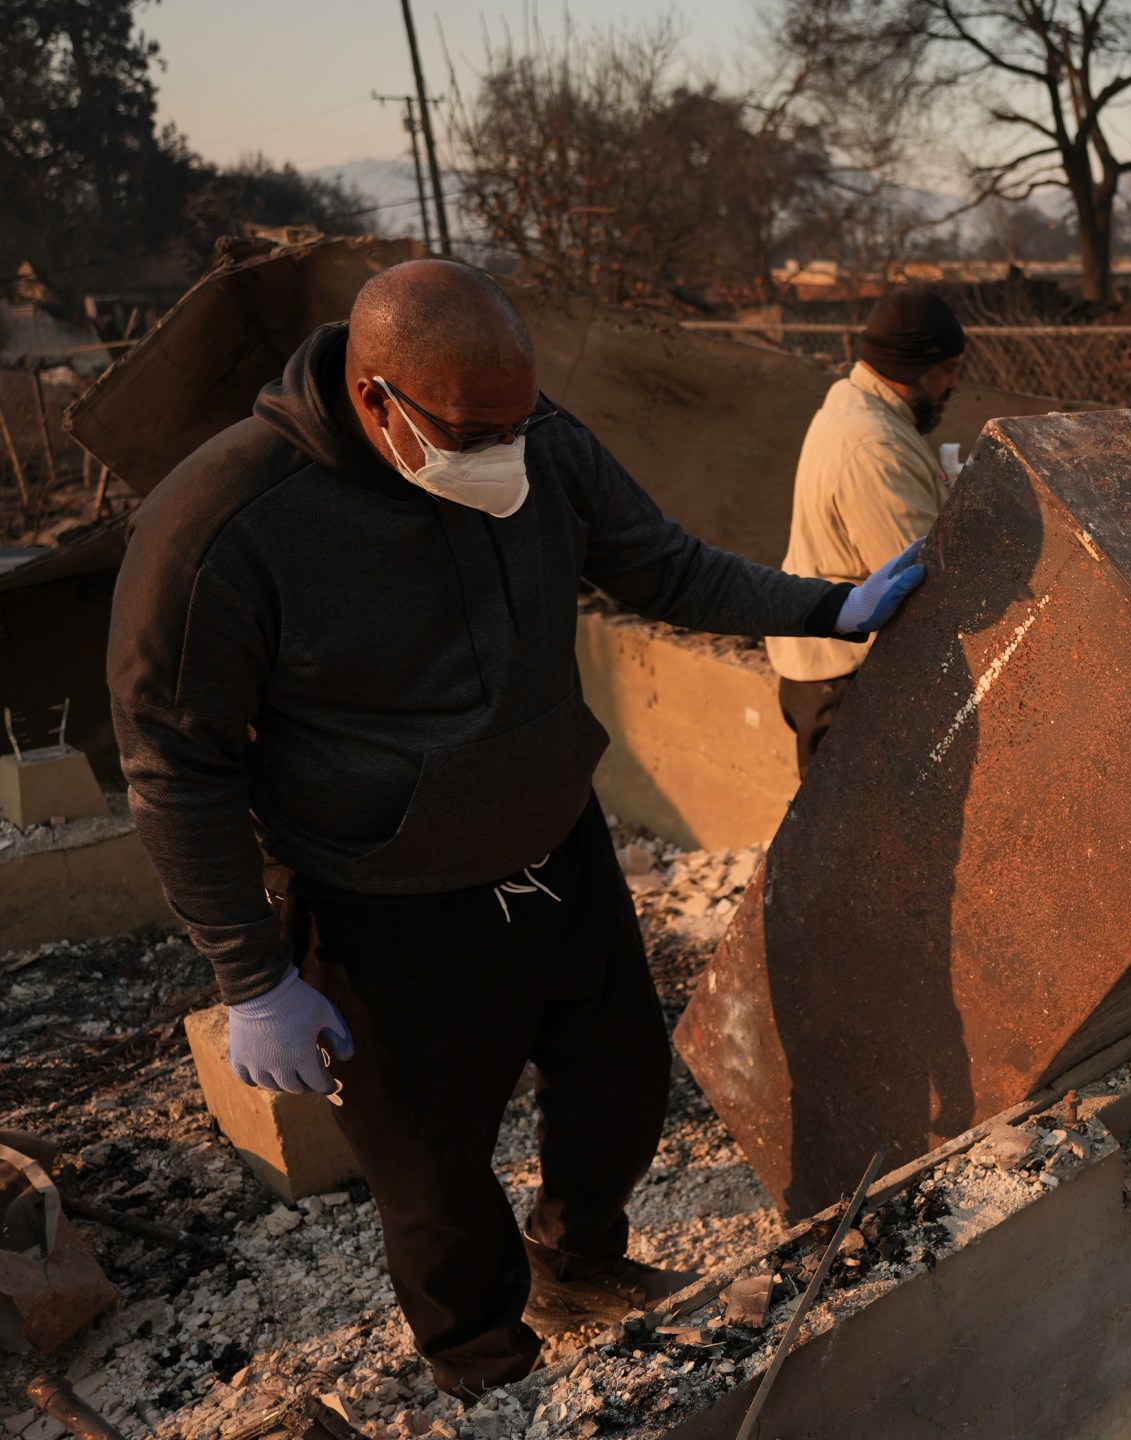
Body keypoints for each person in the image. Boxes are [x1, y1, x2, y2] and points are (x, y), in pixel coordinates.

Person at [107, 259, 927, 1398]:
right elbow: (175, 765)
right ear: (377, 396)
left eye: (518, 420)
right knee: (436, 1178)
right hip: (386, 902)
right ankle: (491, 1378)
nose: (505, 448)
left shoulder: (533, 439)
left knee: (623, 1086)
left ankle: (576, 1260)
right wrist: (252, 976)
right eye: (473, 429)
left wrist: (824, 607)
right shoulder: (224, 527)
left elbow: (658, 565)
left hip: (552, 850)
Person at [767, 287, 968, 774]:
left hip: (833, 663)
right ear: (911, 369)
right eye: (947, 370)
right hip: (842, 678)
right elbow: (925, 582)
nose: (952, 385)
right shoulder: (874, 447)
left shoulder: (857, 399)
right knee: (852, 843)